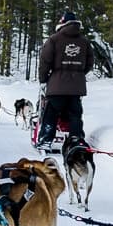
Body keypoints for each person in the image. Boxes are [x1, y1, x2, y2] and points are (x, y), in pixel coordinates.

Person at [36, 10, 94, 149]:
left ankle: (45, 140)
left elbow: (45, 61)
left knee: (51, 113)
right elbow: (89, 63)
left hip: (57, 86)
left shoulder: (54, 39)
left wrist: (43, 79)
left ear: (62, 23)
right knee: (75, 115)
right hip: (77, 88)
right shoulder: (84, 41)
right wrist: (78, 74)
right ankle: (76, 140)